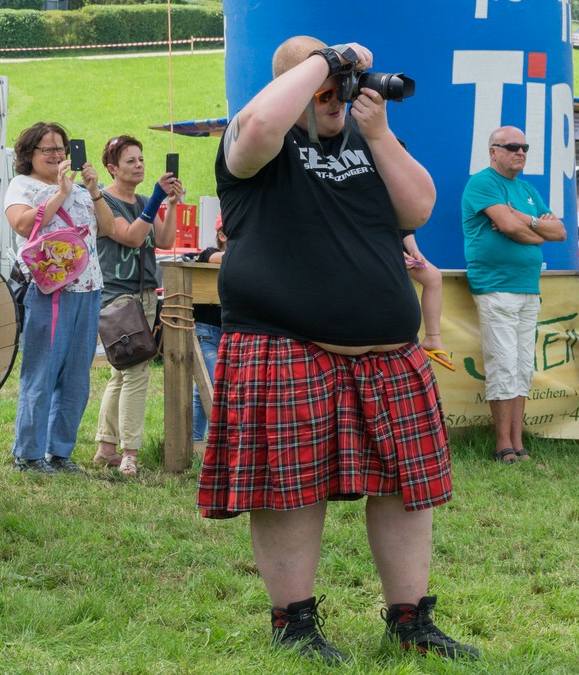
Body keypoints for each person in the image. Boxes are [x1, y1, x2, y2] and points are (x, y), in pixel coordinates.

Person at [196, 37, 477, 663]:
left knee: (409, 486)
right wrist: (329, 60)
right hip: (285, 343)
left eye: (343, 85)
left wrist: (377, 134)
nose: (338, 96)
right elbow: (268, 118)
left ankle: (410, 621)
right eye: (324, 86)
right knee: (289, 489)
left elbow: (421, 205)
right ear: (292, 83)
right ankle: (293, 624)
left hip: (386, 351)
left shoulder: (368, 142)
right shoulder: (253, 140)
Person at [4, 121, 114, 474]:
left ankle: (60, 452)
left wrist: (93, 190)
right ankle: (29, 453)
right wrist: (61, 193)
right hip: (49, 290)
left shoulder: (81, 189)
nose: (56, 155)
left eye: (60, 148)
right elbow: (22, 225)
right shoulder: (22, 186)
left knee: (77, 377)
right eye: (47, 149)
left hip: (88, 289)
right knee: (42, 371)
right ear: (29, 155)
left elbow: (108, 229)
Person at [462, 125, 566, 465]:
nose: (520, 152)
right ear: (494, 151)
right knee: (503, 365)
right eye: (511, 147)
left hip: (527, 289)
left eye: (524, 147)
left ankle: (518, 443)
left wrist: (525, 219)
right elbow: (507, 228)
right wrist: (536, 228)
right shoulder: (482, 182)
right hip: (495, 286)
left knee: (522, 367)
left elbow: (560, 231)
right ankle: (502, 445)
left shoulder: (527, 189)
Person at [92, 135, 183, 476]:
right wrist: (158, 197)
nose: (140, 164)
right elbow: (130, 236)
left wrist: (170, 203)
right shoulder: (107, 203)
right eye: (130, 160)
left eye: (141, 159)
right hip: (118, 297)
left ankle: (106, 447)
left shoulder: (145, 199)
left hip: (144, 295)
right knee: (137, 371)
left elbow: (164, 239)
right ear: (112, 168)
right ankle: (130, 452)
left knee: (121, 372)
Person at [191, 217, 226, 443]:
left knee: (203, 386)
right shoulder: (209, 253)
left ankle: (194, 441)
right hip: (206, 332)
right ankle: (218, 443)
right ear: (222, 235)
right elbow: (214, 258)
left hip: (230, 333)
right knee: (214, 384)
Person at [402, 231, 451, 368]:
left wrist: (414, 250)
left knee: (434, 277)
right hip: (369, 247)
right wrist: (391, 252)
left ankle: (432, 337)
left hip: (396, 248)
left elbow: (404, 228)